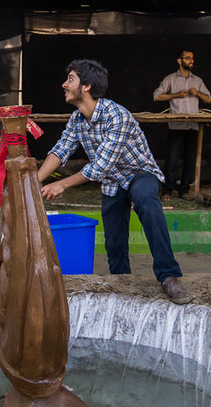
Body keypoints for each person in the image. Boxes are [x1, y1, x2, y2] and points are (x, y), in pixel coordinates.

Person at [37, 59, 192, 304]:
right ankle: (121, 281)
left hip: (140, 173)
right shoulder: (77, 120)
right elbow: (59, 151)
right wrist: (35, 181)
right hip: (112, 182)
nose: (64, 85)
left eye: (70, 79)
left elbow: (101, 165)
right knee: (114, 241)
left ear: (86, 86)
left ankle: (169, 275)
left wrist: (62, 184)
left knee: (145, 200)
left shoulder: (116, 115)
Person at [152, 49, 211, 200]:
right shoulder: (171, 79)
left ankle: (184, 190)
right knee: (172, 159)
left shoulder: (197, 80)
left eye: (192, 58)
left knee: (190, 159)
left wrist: (198, 94)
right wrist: (176, 94)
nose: (191, 60)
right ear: (180, 61)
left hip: (193, 125)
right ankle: (167, 191)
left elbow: (208, 99)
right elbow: (157, 96)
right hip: (177, 124)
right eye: (188, 58)